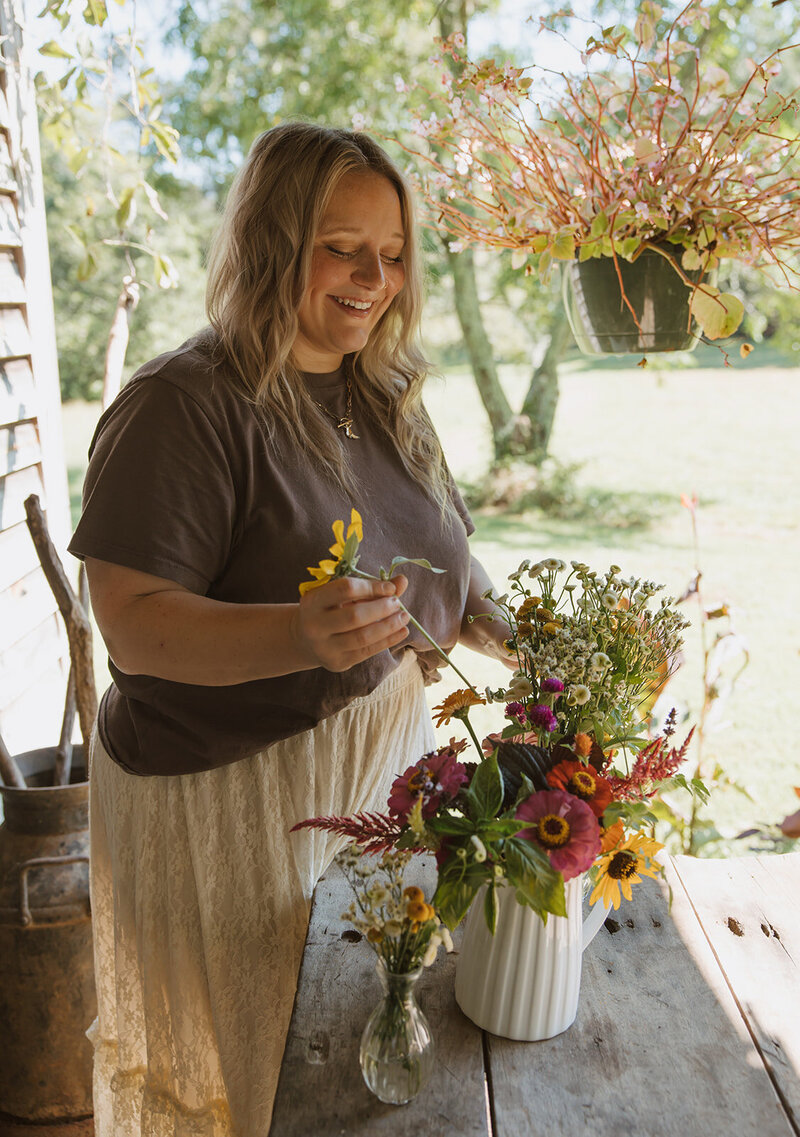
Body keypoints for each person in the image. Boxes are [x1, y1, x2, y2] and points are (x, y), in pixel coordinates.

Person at [68, 122, 512, 1136]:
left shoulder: (387, 390)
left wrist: (509, 629)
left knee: (356, 1059)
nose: (373, 278)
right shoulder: (182, 405)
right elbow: (135, 631)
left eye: (392, 254)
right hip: (232, 802)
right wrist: (297, 636)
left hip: (374, 778)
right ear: (271, 241)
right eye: (339, 246)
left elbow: (442, 552)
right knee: (252, 1081)